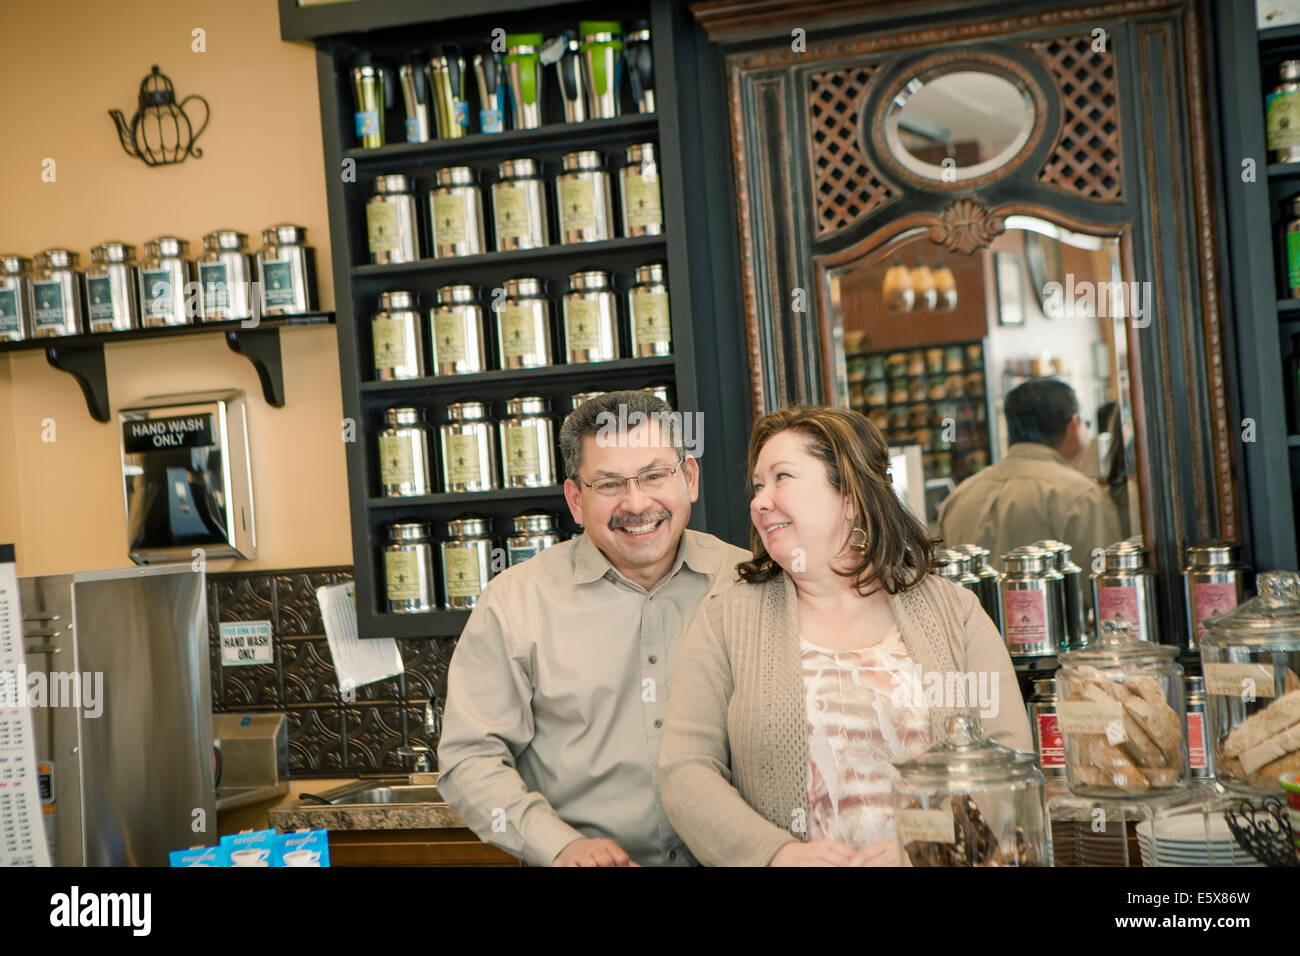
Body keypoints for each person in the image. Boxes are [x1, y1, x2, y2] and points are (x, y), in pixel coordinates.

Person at [658, 405, 1030, 867]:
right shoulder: (725, 622)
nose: (759, 501)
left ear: (850, 495)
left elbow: (1009, 754)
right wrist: (776, 855)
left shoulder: (953, 612)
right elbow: (686, 770)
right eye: (757, 485)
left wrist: (932, 847)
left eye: (782, 478)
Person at [436, 390, 748, 867]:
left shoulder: (749, 582)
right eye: (608, 485)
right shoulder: (515, 602)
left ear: (688, 478)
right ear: (575, 500)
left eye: (654, 475)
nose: (636, 502)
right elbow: (469, 761)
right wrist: (560, 845)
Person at [937, 378, 1121, 587]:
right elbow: (1105, 592)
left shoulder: (958, 497)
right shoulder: (1081, 495)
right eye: (1085, 423)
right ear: (1074, 426)